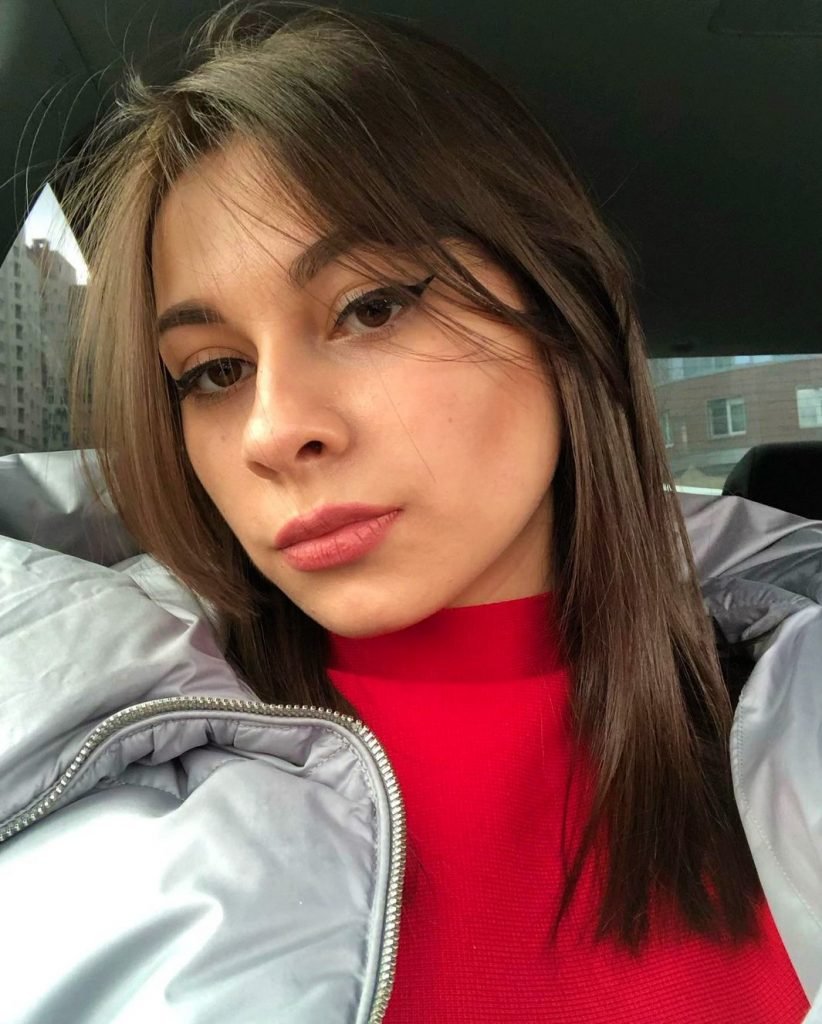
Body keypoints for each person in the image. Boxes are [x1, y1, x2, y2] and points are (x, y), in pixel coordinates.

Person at [0, 4, 819, 1022]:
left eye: (372, 307)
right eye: (212, 371)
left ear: (562, 317)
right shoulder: (73, 796)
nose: (272, 431)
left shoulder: (796, 704)